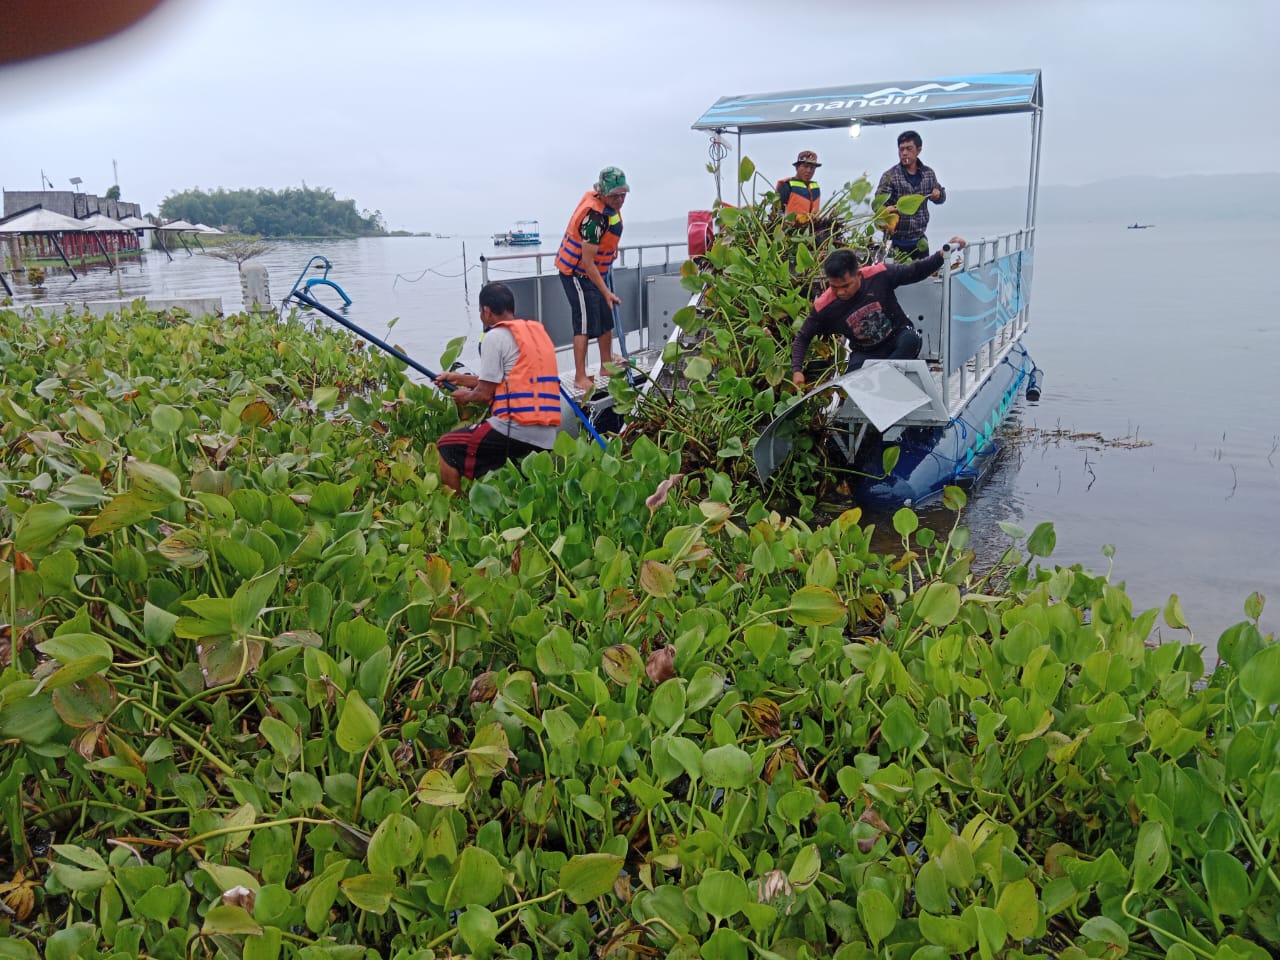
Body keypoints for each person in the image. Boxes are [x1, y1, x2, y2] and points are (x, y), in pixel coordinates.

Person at [434, 282, 561, 493]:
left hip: (515, 428)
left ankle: (454, 514)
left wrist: (465, 397)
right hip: (547, 433)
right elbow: (501, 379)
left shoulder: (494, 336)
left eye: (481, 312)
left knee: (446, 446)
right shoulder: (536, 334)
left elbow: (484, 394)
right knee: (477, 445)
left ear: (486, 310)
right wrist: (457, 378)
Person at [791, 239, 967, 384]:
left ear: (858, 275)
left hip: (898, 337)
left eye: (846, 285)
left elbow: (915, 271)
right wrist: (797, 370)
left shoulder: (879, 275)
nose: (841, 292)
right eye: (834, 287)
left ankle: (885, 378)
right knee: (852, 377)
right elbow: (803, 337)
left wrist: (941, 255)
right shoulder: (825, 305)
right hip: (866, 351)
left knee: (910, 341)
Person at [555, 166, 629, 392]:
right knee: (584, 323)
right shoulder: (594, 219)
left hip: (597, 273)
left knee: (605, 317)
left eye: (623, 194)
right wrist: (606, 292)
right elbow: (587, 262)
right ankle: (580, 375)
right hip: (577, 274)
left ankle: (606, 365)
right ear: (603, 193)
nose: (620, 199)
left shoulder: (609, 208)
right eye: (615, 195)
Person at [876, 130, 946, 260]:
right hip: (894, 242)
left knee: (922, 279)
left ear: (918, 150)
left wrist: (938, 194)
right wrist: (887, 210)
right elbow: (878, 206)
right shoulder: (889, 176)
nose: (904, 153)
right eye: (901, 149)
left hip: (919, 242)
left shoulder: (928, 174)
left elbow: (941, 197)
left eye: (909, 149)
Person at [776, 150, 821, 220]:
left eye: (812, 168)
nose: (809, 170)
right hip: (790, 229)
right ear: (797, 167)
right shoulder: (786, 186)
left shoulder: (815, 188)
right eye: (805, 166)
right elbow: (777, 212)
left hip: (812, 229)